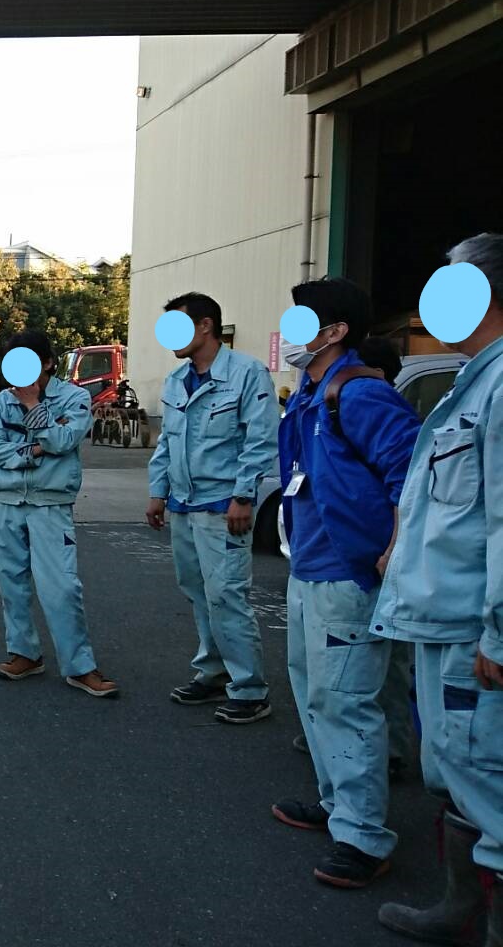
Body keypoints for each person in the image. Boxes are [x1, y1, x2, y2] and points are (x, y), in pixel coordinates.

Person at [270, 278, 420, 888]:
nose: (290, 331)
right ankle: (337, 805)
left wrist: (391, 553)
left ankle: (363, 836)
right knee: (315, 696)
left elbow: (413, 477)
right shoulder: (310, 395)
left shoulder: (359, 395)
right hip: (307, 569)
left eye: (303, 321)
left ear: (334, 332)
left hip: (348, 575)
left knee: (347, 702)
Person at [374, 233, 503, 944]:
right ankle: (461, 907)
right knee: (454, 770)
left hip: (476, 634)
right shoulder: (469, 383)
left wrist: (500, 635)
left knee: (487, 778)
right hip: (442, 621)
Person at [146, 292, 278, 724]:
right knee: (198, 591)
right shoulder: (175, 381)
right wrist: (158, 492)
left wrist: (243, 496)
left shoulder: (247, 373)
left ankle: (250, 689)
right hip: (184, 504)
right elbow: (167, 443)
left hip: (224, 506)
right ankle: (214, 671)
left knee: (226, 596)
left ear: (205, 326)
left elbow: (260, 440)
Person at [0, 332, 118, 697]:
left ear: (48, 362)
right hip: (5, 502)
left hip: (50, 504)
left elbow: (65, 440)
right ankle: (24, 653)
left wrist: (32, 406)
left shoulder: (73, 398)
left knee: (62, 588)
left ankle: (80, 666)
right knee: (11, 584)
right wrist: (36, 450)